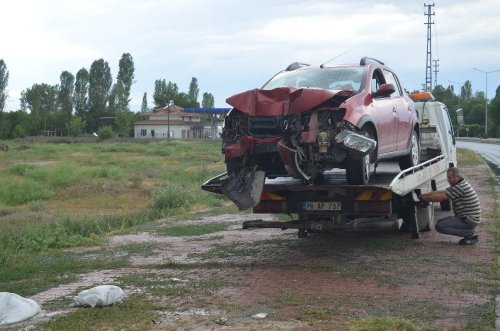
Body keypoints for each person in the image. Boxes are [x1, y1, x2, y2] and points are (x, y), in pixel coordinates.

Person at [417, 167, 481, 245]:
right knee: (440, 222)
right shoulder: (460, 184)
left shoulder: (460, 187)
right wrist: (423, 195)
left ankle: (469, 233)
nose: (447, 180)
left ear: (456, 177)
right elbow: (441, 192)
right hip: (467, 218)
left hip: (469, 220)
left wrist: (423, 198)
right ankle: (468, 231)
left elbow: (440, 198)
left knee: (440, 226)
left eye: (449, 177)